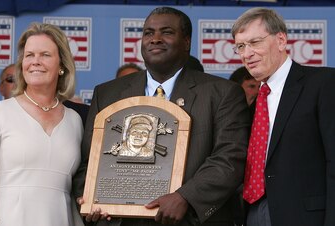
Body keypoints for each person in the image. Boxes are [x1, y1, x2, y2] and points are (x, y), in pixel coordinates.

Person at [74, 6, 250, 226]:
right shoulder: (107, 93)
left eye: (166, 32)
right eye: (148, 33)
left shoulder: (222, 93)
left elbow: (230, 157)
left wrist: (186, 197)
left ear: (186, 42)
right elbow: (89, 161)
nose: (155, 39)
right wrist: (90, 199)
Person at [231, 7, 335, 226]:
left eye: (255, 42)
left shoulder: (323, 83)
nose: (247, 53)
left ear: (280, 40)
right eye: (241, 46)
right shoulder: (252, 105)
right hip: (251, 213)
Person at [0, 23, 84, 226]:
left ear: (61, 65)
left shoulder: (74, 120)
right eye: (29, 55)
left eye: (45, 54)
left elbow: (75, 188)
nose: (35, 62)